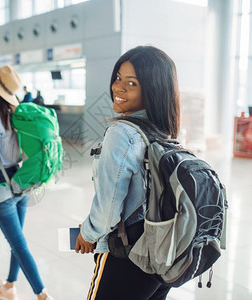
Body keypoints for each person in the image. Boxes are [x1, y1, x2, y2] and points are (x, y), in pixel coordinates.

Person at [75, 46, 180, 300]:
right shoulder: (164, 132)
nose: (118, 87)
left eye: (131, 82)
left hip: (127, 254)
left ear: (152, 89)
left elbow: (108, 209)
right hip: (163, 251)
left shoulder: (122, 132)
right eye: (118, 78)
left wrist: (87, 233)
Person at [0, 64, 53, 300]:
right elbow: (26, 152)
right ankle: (10, 285)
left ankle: (42, 295)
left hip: (1, 186)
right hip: (21, 181)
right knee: (16, 240)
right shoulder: (21, 114)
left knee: (19, 245)